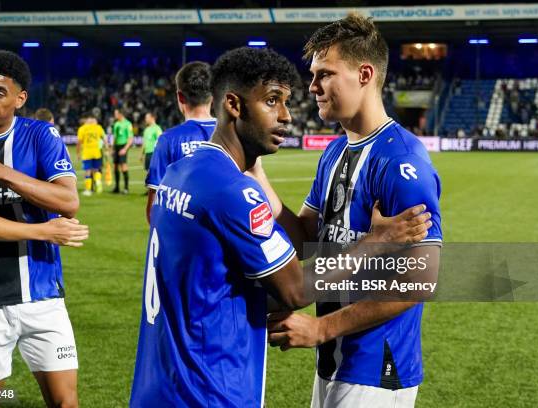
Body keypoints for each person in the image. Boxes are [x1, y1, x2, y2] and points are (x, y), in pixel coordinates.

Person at [130, 47, 432, 407]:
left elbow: (419, 278)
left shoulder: (180, 172)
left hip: (161, 382)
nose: (287, 115)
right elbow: (293, 288)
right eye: (272, 101)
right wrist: (375, 242)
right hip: (209, 389)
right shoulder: (232, 190)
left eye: (324, 75)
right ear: (234, 105)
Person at [256, 14, 442, 408]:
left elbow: (421, 279)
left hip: (377, 369)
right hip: (333, 363)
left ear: (364, 74)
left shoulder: (402, 161)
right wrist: (257, 175)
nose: (313, 87)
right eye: (313, 75)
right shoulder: (335, 151)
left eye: (325, 74)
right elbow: (307, 236)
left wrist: (322, 327)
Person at [0, 58, 88, 407]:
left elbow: (68, 200)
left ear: (20, 99)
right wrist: (44, 230)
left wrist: (0, 172)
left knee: (66, 402)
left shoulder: (40, 135)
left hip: (42, 295)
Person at [145, 61, 216, 222]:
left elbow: (153, 211)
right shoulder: (233, 134)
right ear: (213, 95)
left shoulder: (168, 139)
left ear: (180, 96)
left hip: (183, 237)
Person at [77, 113, 108, 195]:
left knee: (88, 171)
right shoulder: (98, 127)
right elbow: (105, 138)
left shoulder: (82, 129)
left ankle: (88, 190)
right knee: (96, 169)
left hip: (87, 153)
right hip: (97, 152)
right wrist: (107, 148)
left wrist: (78, 153)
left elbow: (79, 142)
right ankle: (98, 184)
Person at [111, 108, 133, 194]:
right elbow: (115, 137)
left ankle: (126, 188)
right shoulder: (116, 124)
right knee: (115, 166)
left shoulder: (128, 124)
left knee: (123, 166)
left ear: (120, 114)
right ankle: (116, 187)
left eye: (115, 114)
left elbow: (130, 138)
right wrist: (112, 148)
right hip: (117, 146)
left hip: (123, 146)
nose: (114, 115)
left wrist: (125, 149)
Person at [140, 112, 162, 194]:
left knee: (154, 171)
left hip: (154, 153)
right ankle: (150, 189)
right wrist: (141, 154)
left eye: (147, 117)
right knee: (148, 171)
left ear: (152, 118)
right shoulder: (146, 129)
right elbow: (144, 143)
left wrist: (159, 154)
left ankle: (156, 189)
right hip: (147, 153)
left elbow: (160, 141)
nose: (145, 119)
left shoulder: (157, 128)